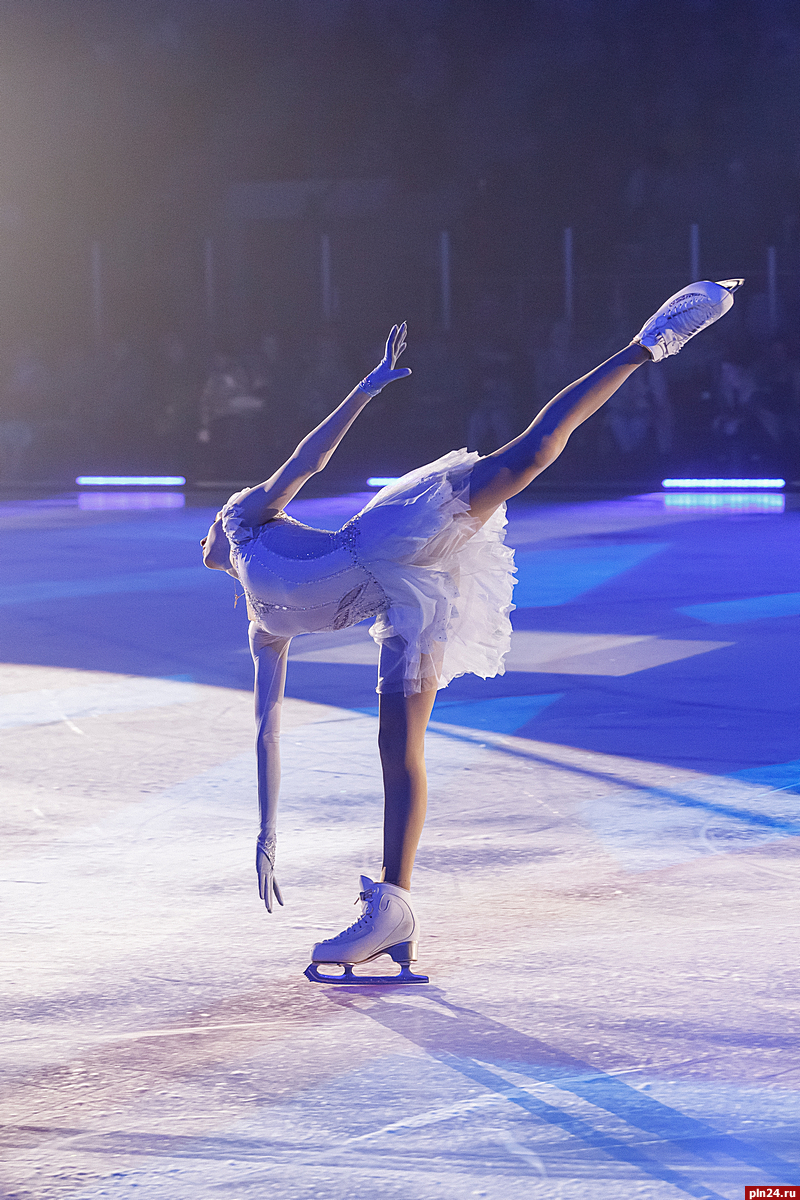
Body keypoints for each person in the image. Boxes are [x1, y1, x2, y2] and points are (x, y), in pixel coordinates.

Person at [201, 278, 743, 984]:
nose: (201, 541)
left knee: (526, 457)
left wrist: (365, 388)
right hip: (406, 601)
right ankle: (393, 907)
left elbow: (308, 462)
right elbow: (265, 729)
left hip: (390, 533)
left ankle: (648, 343)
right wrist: (268, 831)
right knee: (396, 745)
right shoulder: (262, 628)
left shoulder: (243, 522)